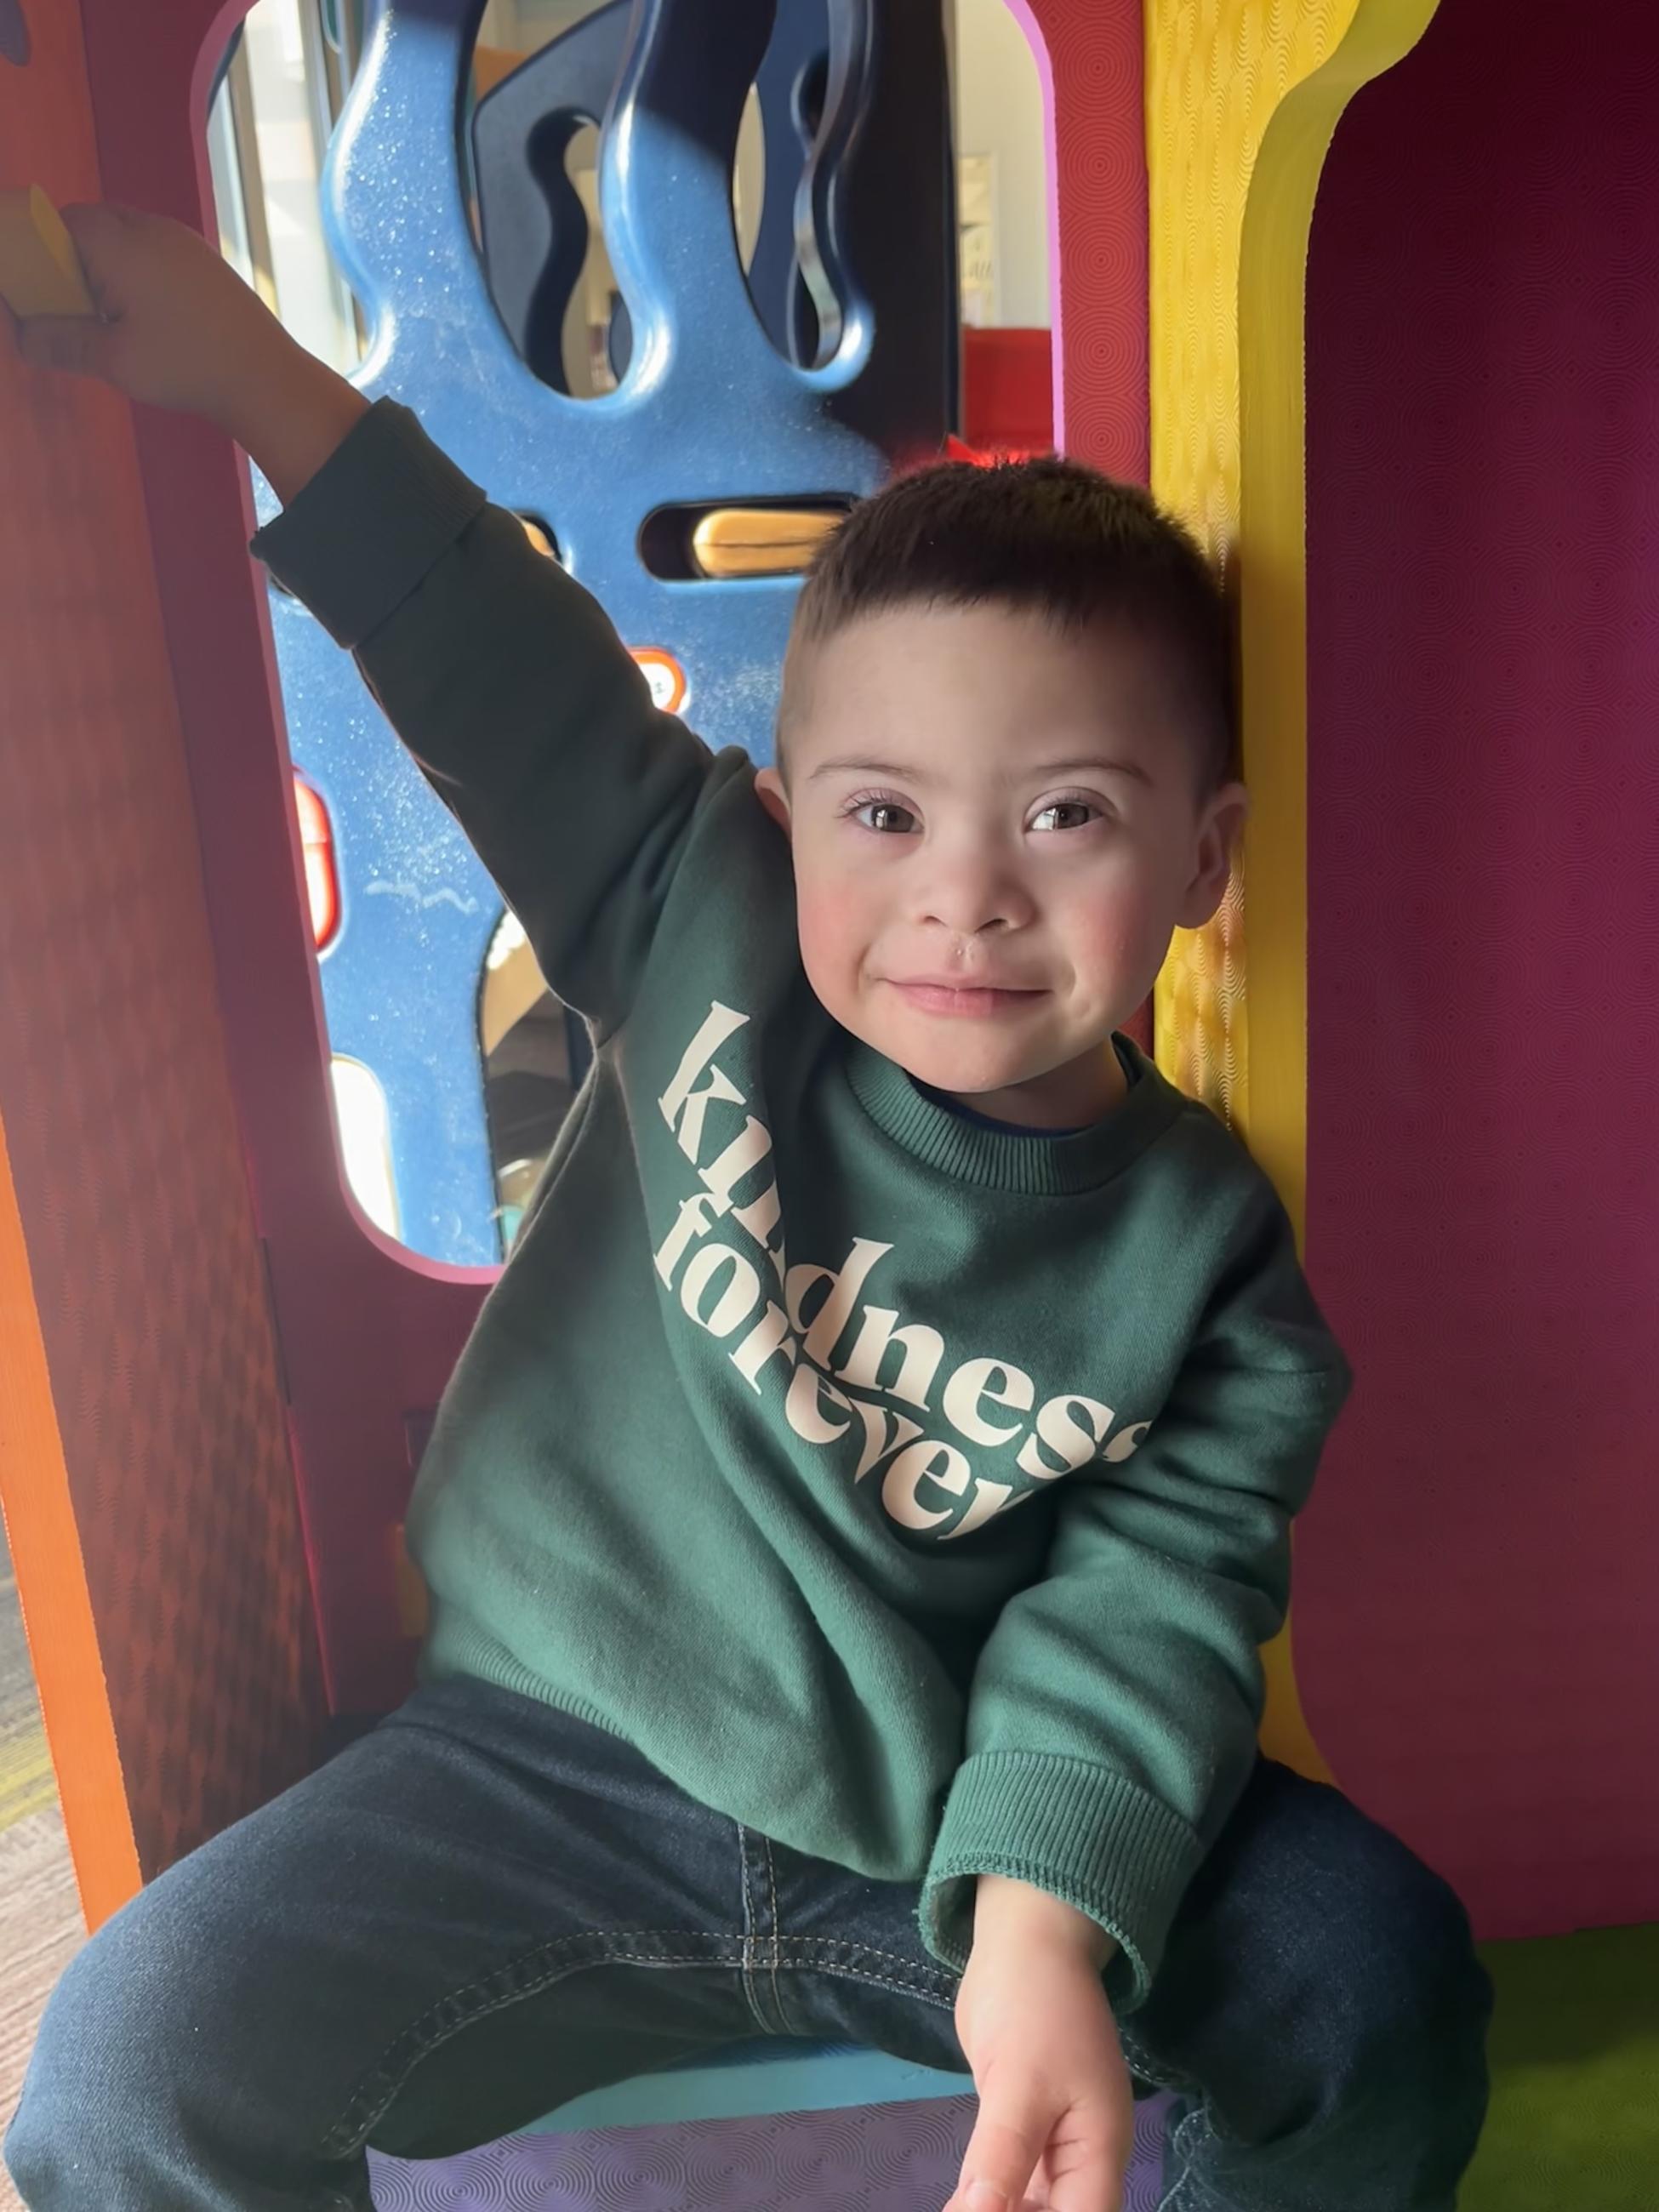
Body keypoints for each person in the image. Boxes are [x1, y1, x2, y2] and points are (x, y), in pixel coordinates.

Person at [5, 207, 1491, 2212]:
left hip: (948, 1830)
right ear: (784, 821)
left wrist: (1043, 1919)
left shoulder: (1207, 1254)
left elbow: (1142, 1617)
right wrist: (256, 375)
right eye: (885, 814)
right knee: (129, 2064)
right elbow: (487, 653)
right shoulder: (693, 908)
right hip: (537, 1775)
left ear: (1203, 857)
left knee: (1372, 1982)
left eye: (1066, 813)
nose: (966, 893)